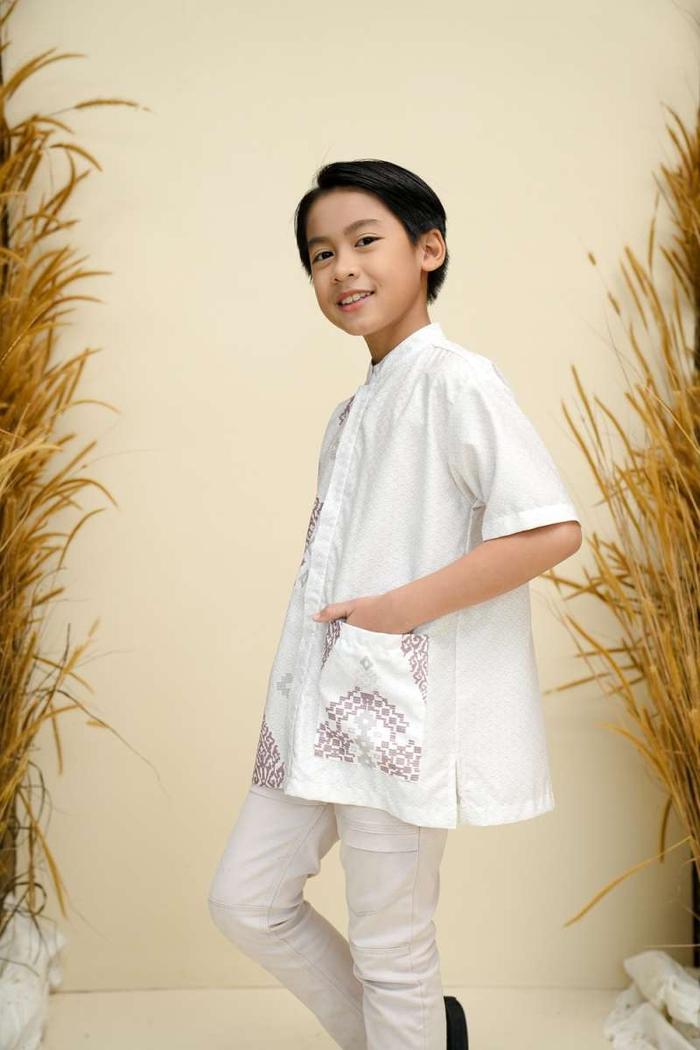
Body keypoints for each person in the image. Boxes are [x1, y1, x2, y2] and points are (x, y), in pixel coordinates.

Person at [207, 159, 583, 1049]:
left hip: (397, 707)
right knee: (245, 901)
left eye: (364, 241)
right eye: (320, 254)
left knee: (391, 948)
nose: (342, 268)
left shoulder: (456, 381)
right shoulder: (353, 413)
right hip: (318, 710)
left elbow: (549, 530)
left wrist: (397, 610)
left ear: (428, 249)